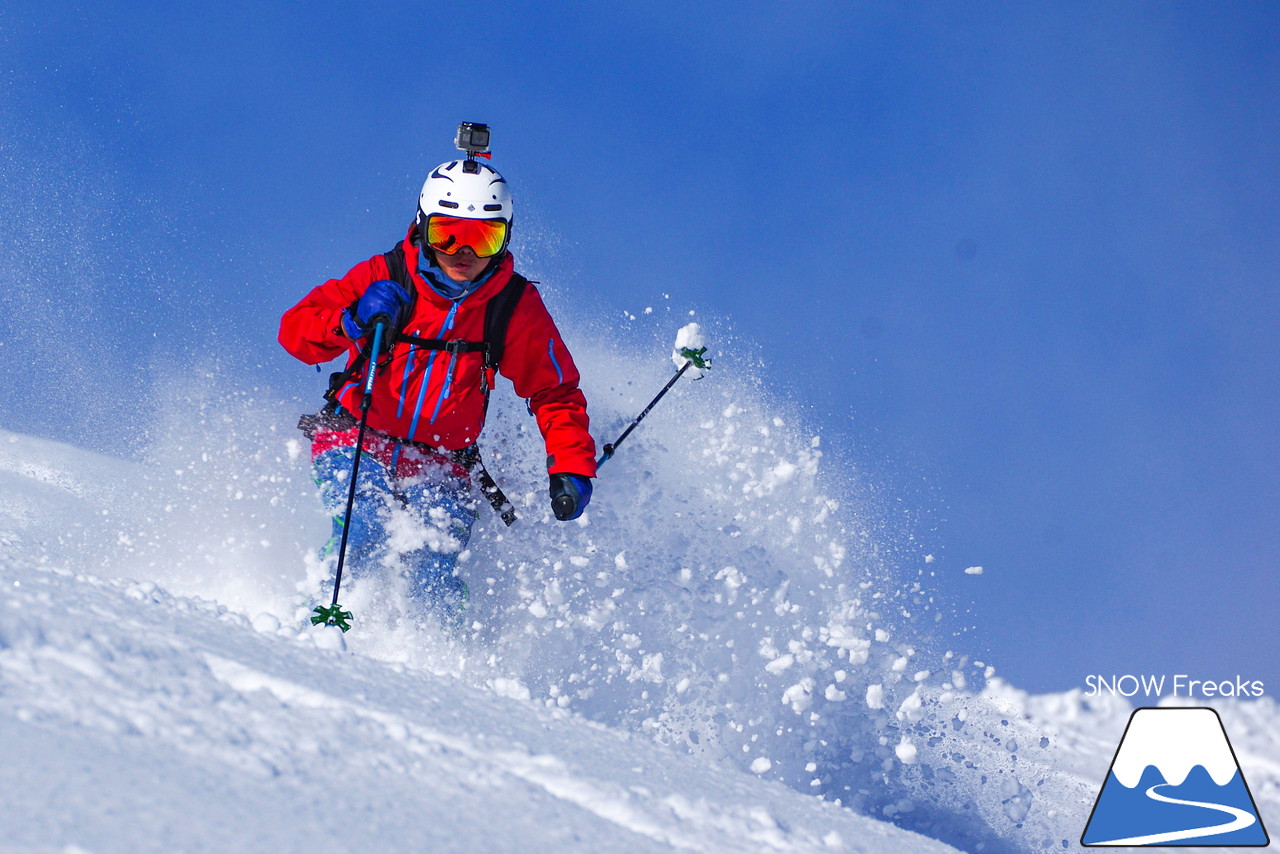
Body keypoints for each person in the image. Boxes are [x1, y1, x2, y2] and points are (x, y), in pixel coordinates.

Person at [278, 140, 596, 623]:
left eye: (483, 238)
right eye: (448, 234)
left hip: (443, 463)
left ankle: (437, 669)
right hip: (355, 436)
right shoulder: (387, 275)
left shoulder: (512, 306)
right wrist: (349, 320)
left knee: (433, 566)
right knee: (366, 525)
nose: (463, 252)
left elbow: (555, 391)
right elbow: (295, 332)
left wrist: (571, 464)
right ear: (424, 226)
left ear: (505, 238)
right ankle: (313, 627)